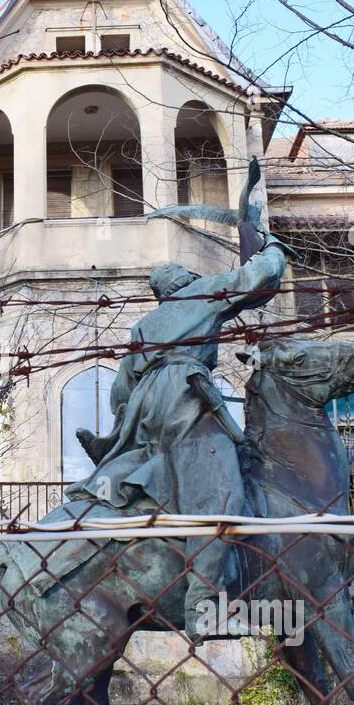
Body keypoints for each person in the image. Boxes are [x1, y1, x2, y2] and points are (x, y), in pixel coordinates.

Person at [68, 236, 290, 632]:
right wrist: (272, 247)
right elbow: (260, 278)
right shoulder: (201, 294)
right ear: (186, 280)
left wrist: (127, 424)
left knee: (160, 474)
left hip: (145, 407)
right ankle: (202, 601)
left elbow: (121, 391)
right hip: (184, 395)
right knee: (220, 495)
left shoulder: (146, 324)